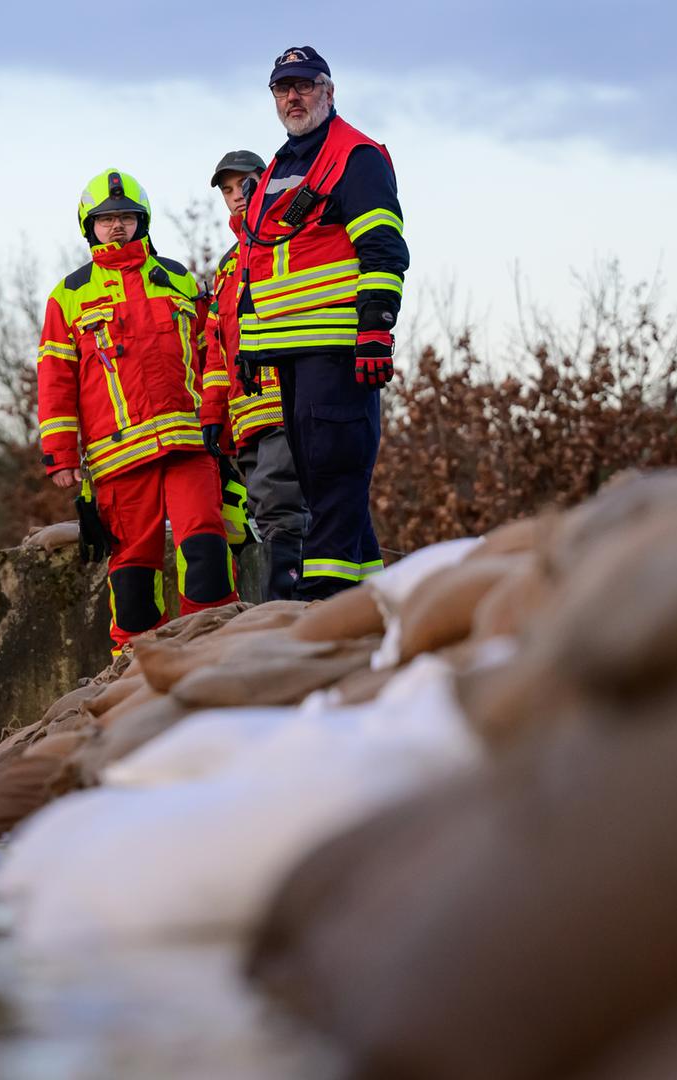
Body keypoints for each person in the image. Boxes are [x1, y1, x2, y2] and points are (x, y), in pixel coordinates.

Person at [36, 169, 238, 652]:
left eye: (126, 216)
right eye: (106, 220)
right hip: (118, 458)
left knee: (207, 548)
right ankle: (135, 672)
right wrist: (60, 454)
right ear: (90, 227)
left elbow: (213, 354)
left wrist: (224, 425)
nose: (117, 227)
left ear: (142, 220)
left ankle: (215, 652)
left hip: (190, 444)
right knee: (132, 573)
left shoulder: (179, 279)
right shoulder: (68, 295)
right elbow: (55, 378)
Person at [236, 46, 410, 598]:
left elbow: (383, 249)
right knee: (319, 476)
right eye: (282, 89)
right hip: (287, 352)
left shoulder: (354, 156)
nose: (293, 97)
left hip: (338, 345)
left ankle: (322, 605)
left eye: (304, 85)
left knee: (334, 473)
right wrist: (248, 348)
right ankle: (371, 601)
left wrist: (377, 330)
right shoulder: (278, 168)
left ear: (329, 92)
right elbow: (253, 264)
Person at [207, 149, 309, 601]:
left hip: (284, 401)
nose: (235, 196)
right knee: (269, 511)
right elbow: (215, 351)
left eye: (243, 184)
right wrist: (214, 417)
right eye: (227, 190)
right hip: (246, 416)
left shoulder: (288, 239)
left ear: (265, 181)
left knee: (282, 508)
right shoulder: (227, 267)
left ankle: (287, 611)